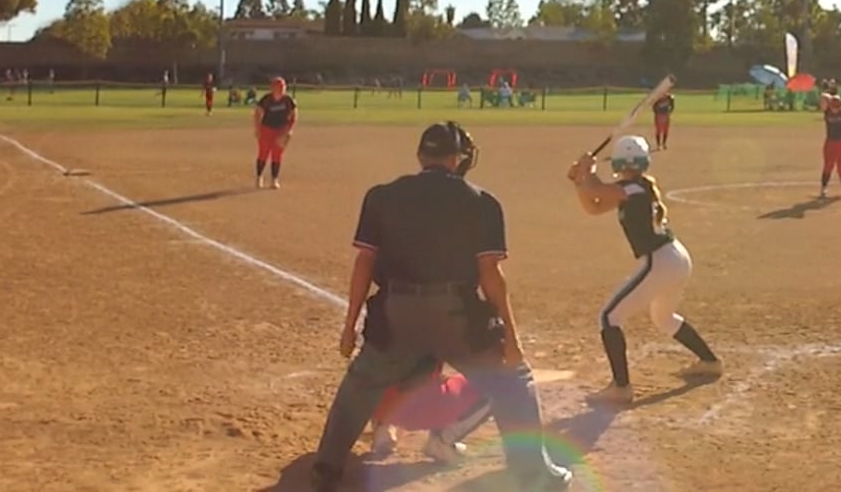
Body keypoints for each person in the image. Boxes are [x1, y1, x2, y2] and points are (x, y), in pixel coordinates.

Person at [309, 121, 570, 492]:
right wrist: (511, 337)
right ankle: (533, 474)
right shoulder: (481, 201)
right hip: (456, 316)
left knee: (361, 383)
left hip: (396, 313)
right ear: (457, 158)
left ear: (420, 155)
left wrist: (349, 326)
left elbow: (364, 264)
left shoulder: (381, 196)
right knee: (513, 381)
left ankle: (326, 470)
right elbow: (490, 275)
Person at [567, 134, 722, 406]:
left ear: (619, 162)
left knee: (609, 317)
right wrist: (580, 180)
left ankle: (621, 388)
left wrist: (587, 171)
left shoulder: (632, 189)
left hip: (660, 261)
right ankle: (710, 361)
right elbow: (593, 206)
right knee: (664, 318)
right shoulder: (635, 188)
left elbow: (597, 190)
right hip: (673, 259)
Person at [366, 359, 493, 465]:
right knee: (494, 383)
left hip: (376, 403)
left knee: (382, 362)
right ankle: (441, 441)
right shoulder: (437, 335)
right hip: (414, 410)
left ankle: (383, 428)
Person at [253, 76, 296, 189]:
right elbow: (257, 113)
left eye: (283, 87)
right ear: (273, 88)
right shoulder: (266, 99)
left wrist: (288, 131)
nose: (282, 89)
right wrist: (257, 129)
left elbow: (293, 115)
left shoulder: (288, 100)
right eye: (279, 87)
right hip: (266, 129)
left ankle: (274, 179)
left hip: (281, 130)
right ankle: (259, 176)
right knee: (263, 154)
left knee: (277, 155)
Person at [818, 80, 841, 198]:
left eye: (836, 106)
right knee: (828, 166)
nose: (834, 109)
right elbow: (822, 97)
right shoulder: (827, 111)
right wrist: (831, 96)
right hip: (830, 143)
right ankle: (823, 189)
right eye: (833, 106)